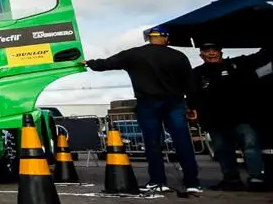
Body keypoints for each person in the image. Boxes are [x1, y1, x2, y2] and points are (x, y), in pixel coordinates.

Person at [83, 26, 201, 194]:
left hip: (148, 103)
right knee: (182, 142)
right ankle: (192, 183)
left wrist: (89, 63)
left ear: (148, 38)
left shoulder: (135, 54)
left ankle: (158, 181)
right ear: (167, 38)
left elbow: (107, 63)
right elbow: (190, 83)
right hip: (175, 102)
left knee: (152, 143)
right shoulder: (178, 56)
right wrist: (193, 106)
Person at [193, 42, 267, 191]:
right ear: (201, 55)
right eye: (207, 51)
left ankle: (257, 178)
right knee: (222, 150)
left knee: (250, 147)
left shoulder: (238, 64)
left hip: (242, 117)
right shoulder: (197, 73)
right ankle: (231, 180)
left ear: (221, 52)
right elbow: (192, 94)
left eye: (215, 50)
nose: (212, 53)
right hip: (215, 120)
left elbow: (261, 56)